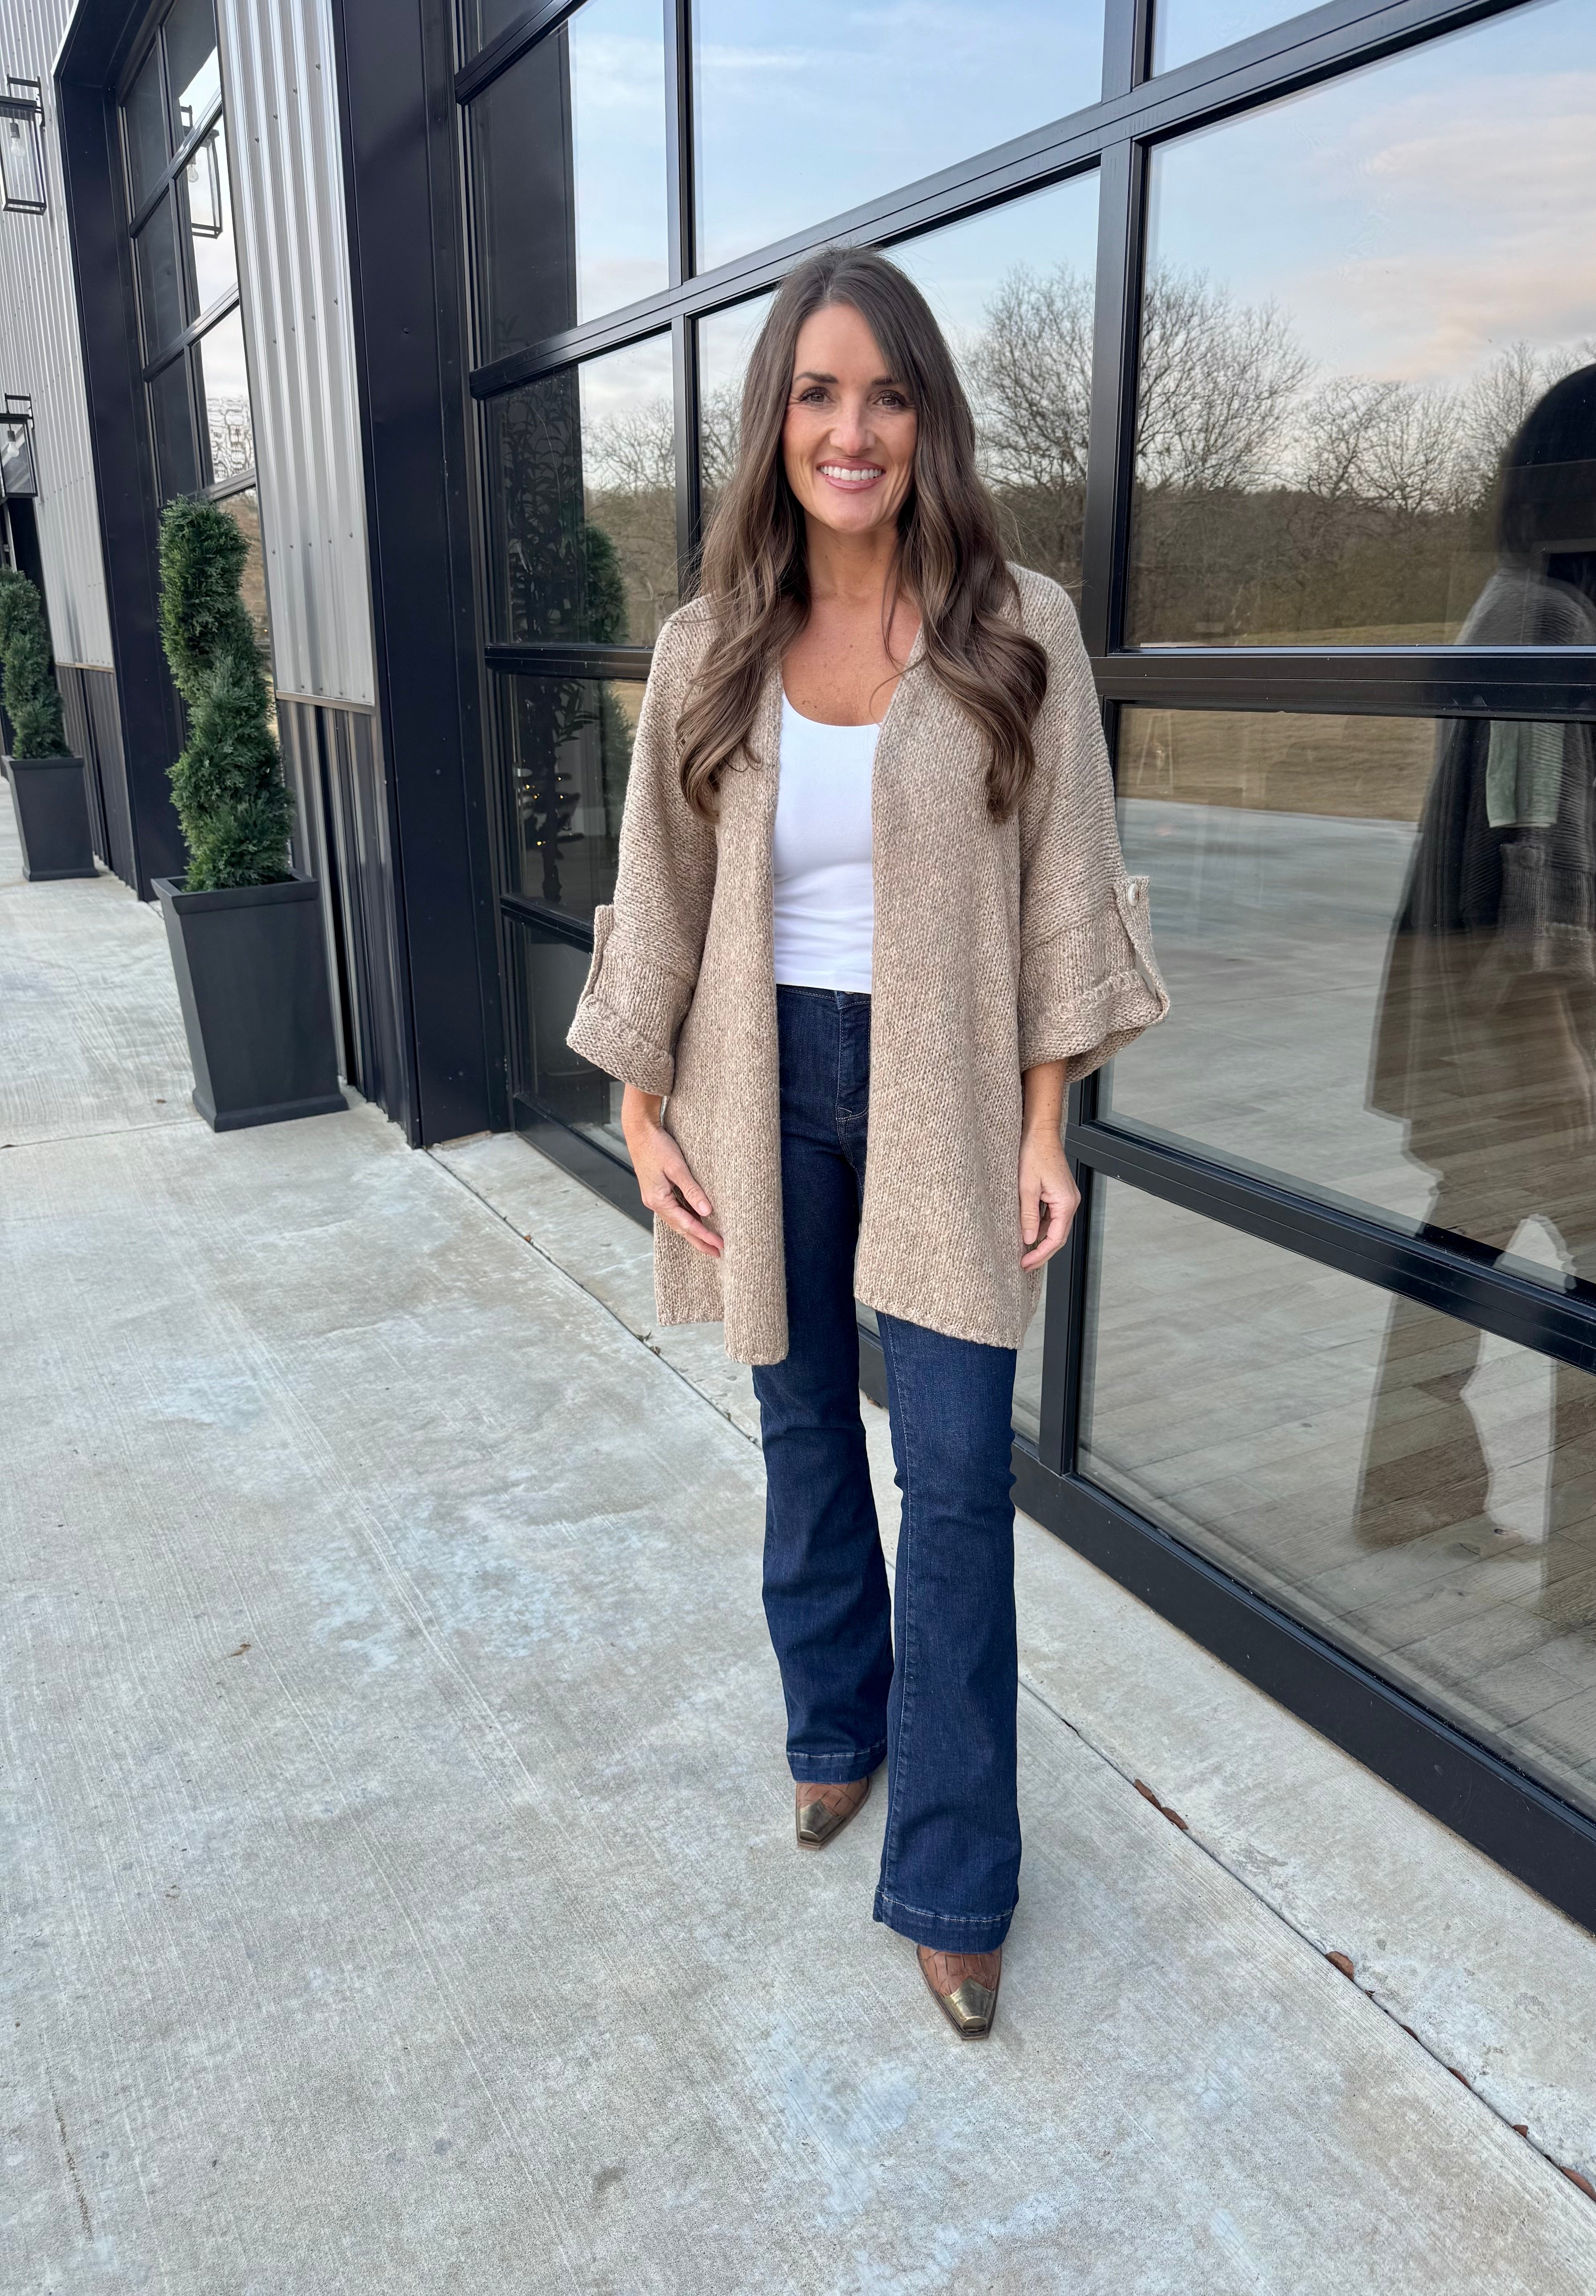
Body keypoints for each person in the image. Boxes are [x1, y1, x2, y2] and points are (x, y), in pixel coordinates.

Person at [567, 246, 1166, 2036]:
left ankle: (958, 1876)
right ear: (776, 422)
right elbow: (659, 888)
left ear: (928, 422)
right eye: (820, 394)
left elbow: (1061, 885)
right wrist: (642, 1109)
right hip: (758, 1079)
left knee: (960, 1478)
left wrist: (1048, 1125)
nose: (854, 431)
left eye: (888, 395)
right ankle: (835, 1726)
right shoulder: (709, 645)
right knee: (803, 1425)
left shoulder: (1016, 628)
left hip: (946, 1088)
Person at [1358, 361, 1596, 1638]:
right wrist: (1560, 1033)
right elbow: (1529, 833)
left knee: (1465, 1226)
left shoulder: (1556, 609)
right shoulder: (1543, 618)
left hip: (1500, 1021)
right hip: (1524, 1026)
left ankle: (1411, 1491)